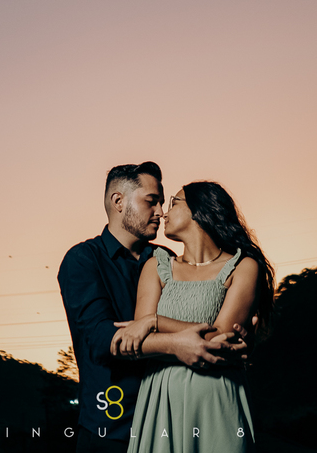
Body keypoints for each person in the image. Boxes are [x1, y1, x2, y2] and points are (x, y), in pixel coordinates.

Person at [59, 164, 245, 453]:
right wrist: (175, 344)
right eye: (151, 201)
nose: (160, 211)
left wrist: (239, 335)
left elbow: (209, 319)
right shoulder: (82, 260)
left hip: (173, 416)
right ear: (118, 202)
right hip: (111, 427)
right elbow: (99, 339)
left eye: (163, 202)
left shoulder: (168, 260)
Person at [112, 181, 274, 452]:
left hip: (217, 400)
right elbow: (138, 343)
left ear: (200, 210)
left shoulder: (243, 267)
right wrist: (149, 331)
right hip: (161, 400)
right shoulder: (156, 267)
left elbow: (219, 340)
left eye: (174, 202)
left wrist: (155, 322)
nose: (163, 212)